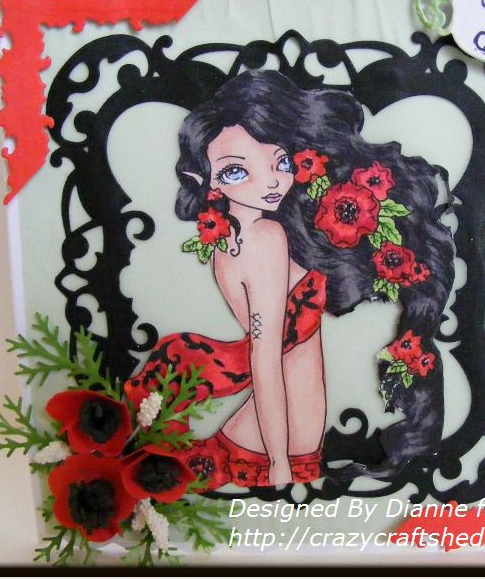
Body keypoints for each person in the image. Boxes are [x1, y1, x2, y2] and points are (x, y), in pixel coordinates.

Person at [123, 70, 455, 489]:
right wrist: (277, 461)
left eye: (280, 162)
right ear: (204, 180)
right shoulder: (264, 237)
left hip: (284, 433)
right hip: (275, 441)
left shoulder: (239, 240)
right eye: (235, 171)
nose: (271, 181)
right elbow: (264, 357)